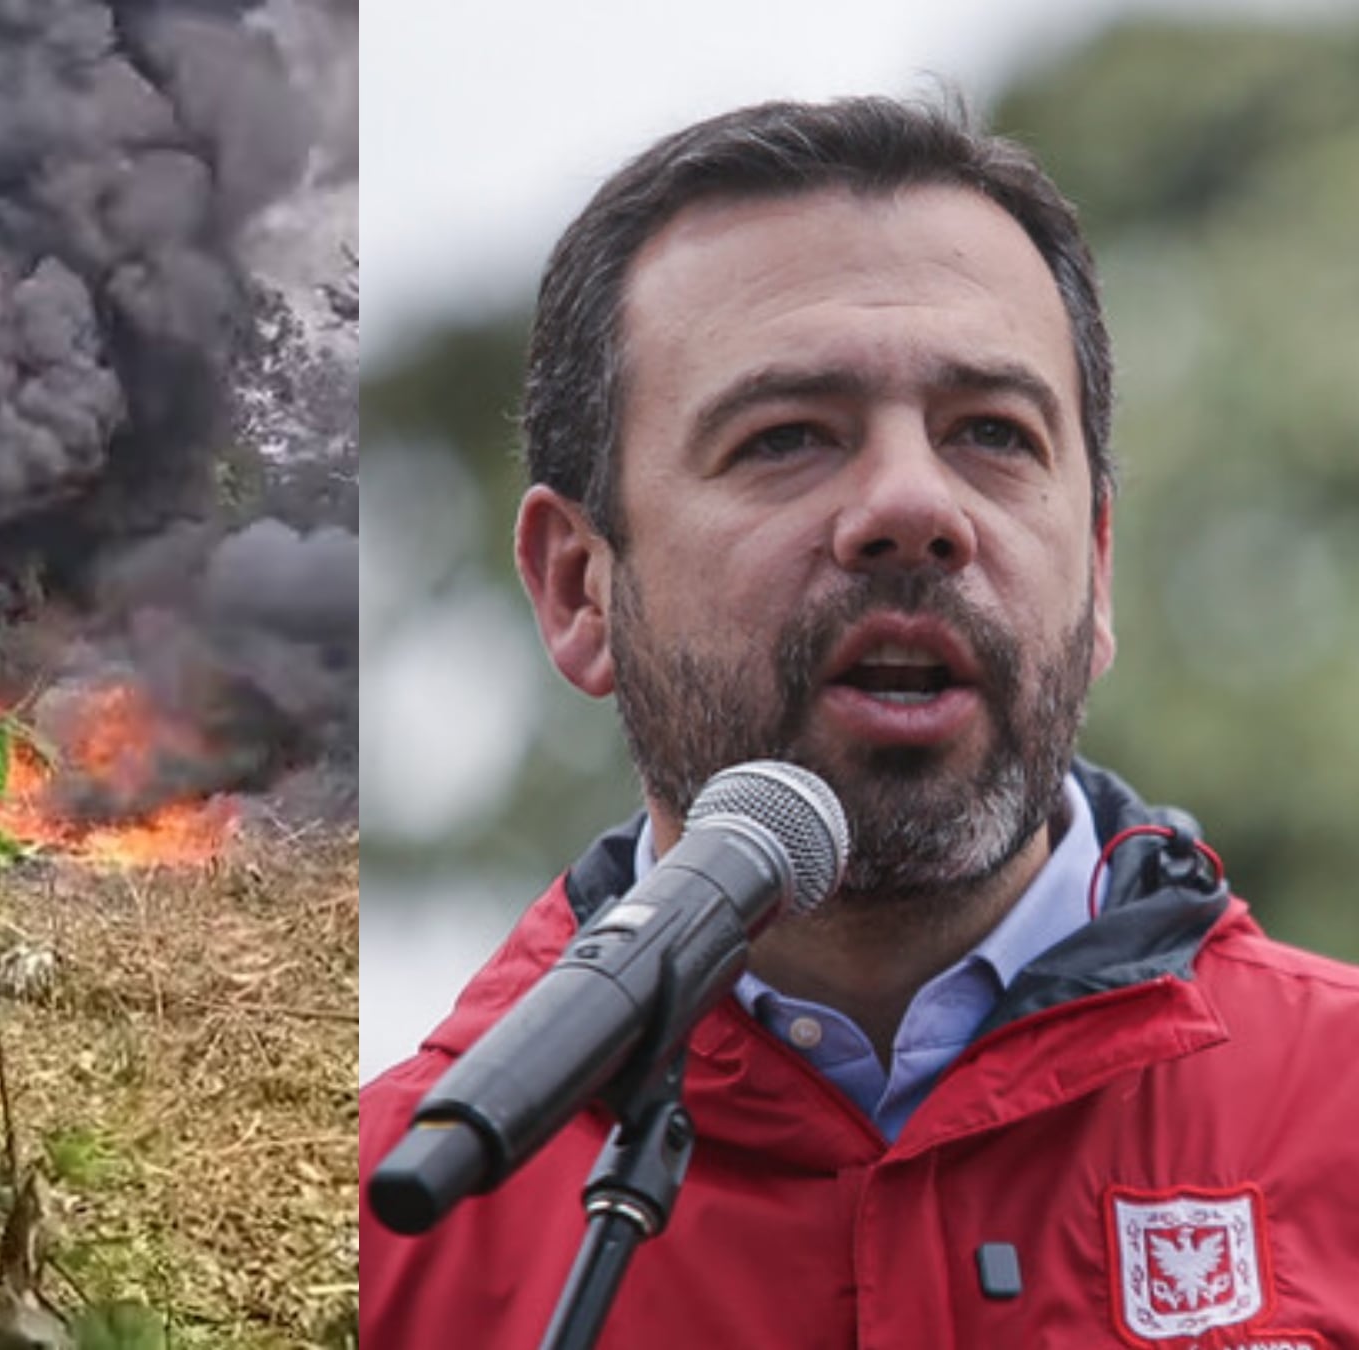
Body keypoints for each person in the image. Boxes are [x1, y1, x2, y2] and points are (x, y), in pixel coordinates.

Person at [358, 96, 1359, 1348]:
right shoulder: (390, 1217)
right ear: (579, 589)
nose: (907, 504)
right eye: (785, 438)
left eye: (991, 434)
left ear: (1096, 568)